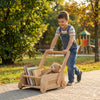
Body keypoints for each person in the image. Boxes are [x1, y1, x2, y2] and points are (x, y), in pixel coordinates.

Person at [47, 11, 82, 86]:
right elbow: (55, 38)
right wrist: (51, 48)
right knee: (69, 64)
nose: (61, 23)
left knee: (70, 65)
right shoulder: (59, 29)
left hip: (72, 48)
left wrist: (67, 49)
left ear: (67, 20)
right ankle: (78, 72)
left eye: (63, 21)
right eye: (59, 22)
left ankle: (71, 80)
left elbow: (71, 39)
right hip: (65, 49)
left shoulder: (71, 28)